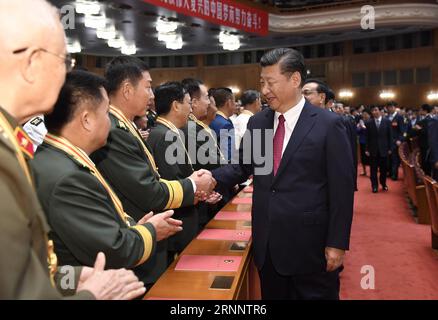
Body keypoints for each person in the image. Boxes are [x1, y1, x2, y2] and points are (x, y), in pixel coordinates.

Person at [0, 0, 145, 299]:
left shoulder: (13, 140)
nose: (68, 73)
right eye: (65, 61)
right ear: (31, 64)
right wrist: (93, 295)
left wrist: (71, 278)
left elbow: (24, 268)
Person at [212, 48, 354, 300]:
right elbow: (243, 166)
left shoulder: (328, 125)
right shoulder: (259, 122)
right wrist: (209, 180)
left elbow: (341, 190)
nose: (264, 90)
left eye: (271, 82)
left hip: (311, 247)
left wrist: (337, 243)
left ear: (295, 79)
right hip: (269, 246)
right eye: (261, 82)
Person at [32, 71, 184, 283]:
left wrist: (133, 228)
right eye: (105, 113)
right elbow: (112, 249)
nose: (109, 121)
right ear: (86, 120)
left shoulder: (56, 158)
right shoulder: (67, 177)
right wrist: (151, 231)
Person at [90, 56, 216, 286]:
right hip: (134, 233)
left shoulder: (126, 126)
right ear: (127, 90)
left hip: (145, 229)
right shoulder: (114, 130)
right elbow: (146, 189)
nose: (152, 96)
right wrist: (194, 186)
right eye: (148, 87)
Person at [148, 82, 221, 262]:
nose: (190, 109)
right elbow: (174, 181)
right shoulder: (165, 135)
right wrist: (199, 190)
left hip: (185, 211)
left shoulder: (171, 132)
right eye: (188, 103)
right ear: (175, 105)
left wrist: (202, 192)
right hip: (178, 218)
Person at [365, 106, 392, 193]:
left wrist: (390, 148)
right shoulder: (369, 123)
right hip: (373, 150)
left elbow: (390, 136)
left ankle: (383, 184)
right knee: (373, 170)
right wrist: (367, 149)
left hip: (384, 149)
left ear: (380, 111)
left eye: (376, 110)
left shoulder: (387, 122)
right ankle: (374, 186)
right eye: (372, 110)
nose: (374, 112)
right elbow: (367, 137)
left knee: (383, 169)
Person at [210, 87, 237, 162]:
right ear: (229, 102)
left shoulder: (212, 119)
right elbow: (229, 156)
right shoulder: (225, 124)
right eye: (234, 101)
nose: (235, 104)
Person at [386, 101, 405, 180]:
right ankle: (390, 172)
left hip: (395, 141)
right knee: (389, 158)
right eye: (388, 107)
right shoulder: (386, 117)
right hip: (388, 141)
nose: (389, 109)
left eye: (391, 107)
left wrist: (400, 140)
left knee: (395, 159)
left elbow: (402, 131)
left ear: (394, 107)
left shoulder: (399, 117)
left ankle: (394, 174)